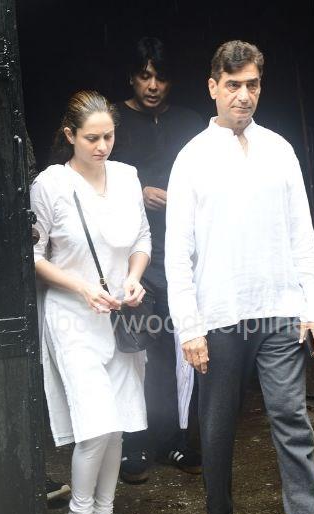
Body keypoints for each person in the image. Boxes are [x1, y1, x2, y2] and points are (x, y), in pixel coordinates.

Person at [165, 41, 314, 514]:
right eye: (233, 85)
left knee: (292, 419)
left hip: (279, 309)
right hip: (219, 313)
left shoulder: (279, 150)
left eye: (253, 85)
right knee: (218, 425)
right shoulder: (192, 158)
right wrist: (189, 327)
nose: (244, 95)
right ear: (213, 86)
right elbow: (177, 253)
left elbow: (302, 234)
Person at [31, 90, 151, 514]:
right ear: (70, 136)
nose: (103, 147)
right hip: (71, 317)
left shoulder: (127, 177)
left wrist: (134, 278)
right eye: (92, 138)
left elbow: (142, 239)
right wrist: (81, 286)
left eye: (109, 137)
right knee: (95, 426)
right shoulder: (50, 185)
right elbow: (32, 255)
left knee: (116, 426)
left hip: (118, 318)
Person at [110, 37, 205, 484]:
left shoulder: (191, 123)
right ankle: (134, 443)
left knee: (181, 345)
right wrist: (138, 192)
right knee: (135, 349)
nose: (152, 86)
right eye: (144, 76)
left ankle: (177, 438)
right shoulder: (113, 121)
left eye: (160, 77)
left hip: (184, 250)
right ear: (130, 76)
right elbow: (90, 177)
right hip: (128, 253)